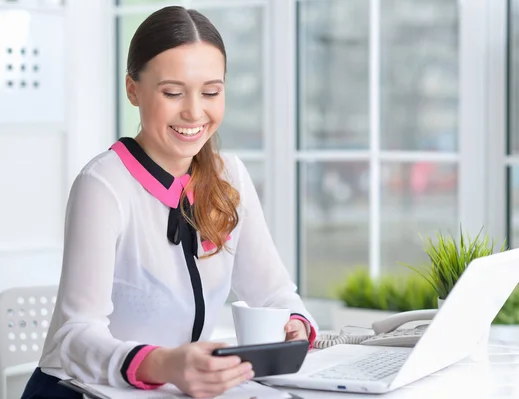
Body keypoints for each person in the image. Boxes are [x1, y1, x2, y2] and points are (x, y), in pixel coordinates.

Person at [21, 6, 317, 399]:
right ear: (133, 90)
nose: (194, 111)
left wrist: (293, 325)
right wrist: (165, 364)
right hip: (79, 391)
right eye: (173, 92)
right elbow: (76, 337)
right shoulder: (103, 185)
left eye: (211, 91)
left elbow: (276, 294)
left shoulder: (231, 177)